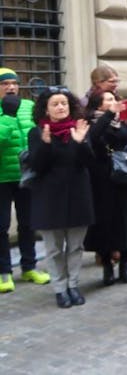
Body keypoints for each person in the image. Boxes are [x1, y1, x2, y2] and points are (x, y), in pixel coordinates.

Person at [26, 87, 93, 308]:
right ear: (46, 109)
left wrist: (80, 142)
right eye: (55, 104)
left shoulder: (79, 128)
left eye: (64, 103)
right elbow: (37, 166)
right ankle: (59, 289)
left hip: (77, 196)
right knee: (54, 249)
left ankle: (73, 285)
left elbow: (89, 163)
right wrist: (44, 145)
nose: (60, 107)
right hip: (49, 199)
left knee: (75, 246)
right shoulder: (37, 133)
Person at [83, 89, 127, 286]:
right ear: (98, 104)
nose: (113, 102)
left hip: (122, 176)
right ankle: (107, 266)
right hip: (101, 178)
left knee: (125, 219)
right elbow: (95, 136)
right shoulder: (92, 121)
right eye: (108, 99)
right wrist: (109, 114)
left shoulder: (119, 121)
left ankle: (125, 263)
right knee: (104, 221)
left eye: (114, 99)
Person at [0, 68, 50, 293]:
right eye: (4, 84)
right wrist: (8, 117)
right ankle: (4, 272)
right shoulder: (9, 111)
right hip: (1, 178)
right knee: (1, 227)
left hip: (26, 176)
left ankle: (29, 266)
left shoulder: (29, 107)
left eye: (14, 83)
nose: (10, 87)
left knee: (28, 224)